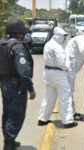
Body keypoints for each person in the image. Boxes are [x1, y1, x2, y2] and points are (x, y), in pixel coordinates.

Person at [0, 19, 36, 150]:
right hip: (16, 87)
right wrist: (30, 89)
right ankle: (9, 143)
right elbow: (23, 71)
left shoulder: (3, 45)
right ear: (20, 32)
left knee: (7, 113)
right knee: (16, 114)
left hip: (5, 84)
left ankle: (9, 139)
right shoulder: (18, 47)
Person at [38, 27, 77, 128]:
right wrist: (69, 62)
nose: (65, 39)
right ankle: (68, 121)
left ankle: (42, 118)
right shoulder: (57, 47)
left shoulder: (48, 44)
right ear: (60, 36)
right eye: (64, 36)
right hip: (58, 74)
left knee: (49, 96)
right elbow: (62, 63)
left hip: (48, 73)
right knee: (65, 96)